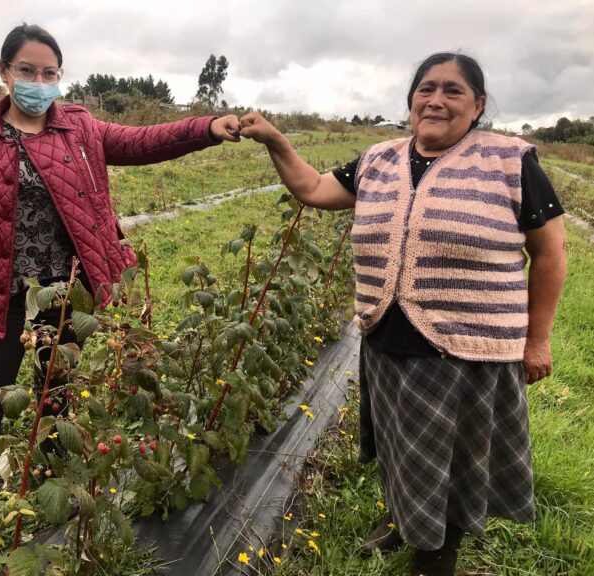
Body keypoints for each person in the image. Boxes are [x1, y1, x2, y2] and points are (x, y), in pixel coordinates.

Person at [239, 52, 566, 576]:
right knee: (400, 446)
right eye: (426, 89)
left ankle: (438, 552)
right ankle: (404, 521)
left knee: (452, 458)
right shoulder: (379, 159)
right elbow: (314, 189)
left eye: (453, 91)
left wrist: (538, 340)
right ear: (411, 99)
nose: (436, 100)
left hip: (468, 346)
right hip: (387, 334)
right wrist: (277, 140)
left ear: (478, 105)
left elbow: (550, 252)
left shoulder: (510, 161)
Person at [0, 23, 241, 546]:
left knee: (57, 389)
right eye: (26, 70)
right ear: (4, 72)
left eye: (49, 72)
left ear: (59, 77)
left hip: (67, 288)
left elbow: (144, 141)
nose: (38, 81)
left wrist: (207, 127)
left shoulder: (80, 128)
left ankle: (52, 481)